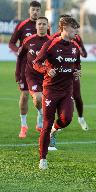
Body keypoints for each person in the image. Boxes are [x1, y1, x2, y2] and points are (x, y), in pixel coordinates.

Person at [33, 17, 81, 170]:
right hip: (51, 90)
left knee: (66, 119)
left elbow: (77, 64)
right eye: (74, 28)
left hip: (66, 90)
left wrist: (77, 72)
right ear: (65, 28)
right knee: (46, 124)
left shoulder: (75, 47)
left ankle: (55, 129)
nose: (76, 32)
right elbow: (36, 63)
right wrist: (47, 70)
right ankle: (43, 158)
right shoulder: (51, 44)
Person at [9, 1, 42, 138]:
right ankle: (24, 125)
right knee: (24, 96)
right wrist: (18, 50)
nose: (35, 12)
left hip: (40, 69)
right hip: (24, 67)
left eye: (37, 10)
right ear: (29, 11)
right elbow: (12, 43)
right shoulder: (22, 26)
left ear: (40, 11)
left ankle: (40, 120)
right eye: (33, 9)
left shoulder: (43, 26)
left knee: (40, 97)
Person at [51, 14, 89, 131]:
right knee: (59, 98)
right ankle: (59, 121)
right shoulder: (54, 38)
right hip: (59, 75)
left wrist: (81, 51)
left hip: (72, 73)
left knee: (77, 96)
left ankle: (81, 118)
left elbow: (84, 53)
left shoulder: (76, 37)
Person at [17, 17, 51, 133]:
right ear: (36, 26)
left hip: (46, 76)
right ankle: (40, 115)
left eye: (44, 24)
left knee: (47, 101)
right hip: (31, 75)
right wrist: (18, 73)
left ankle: (40, 119)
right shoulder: (28, 40)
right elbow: (20, 56)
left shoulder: (51, 42)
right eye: (39, 24)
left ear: (48, 26)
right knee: (37, 98)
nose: (41, 26)